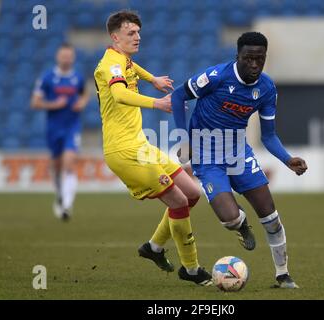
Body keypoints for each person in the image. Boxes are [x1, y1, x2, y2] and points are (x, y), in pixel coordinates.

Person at [171, 32, 308, 289]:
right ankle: (241, 225)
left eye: (260, 59)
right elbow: (179, 96)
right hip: (206, 156)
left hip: (238, 153)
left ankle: (283, 274)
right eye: (248, 58)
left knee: (271, 216)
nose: (254, 64)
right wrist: (184, 140)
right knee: (230, 218)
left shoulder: (266, 89)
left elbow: (268, 136)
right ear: (238, 57)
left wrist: (287, 160)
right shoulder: (217, 76)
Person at [93, 10, 212, 286]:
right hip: (124, 152)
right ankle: (191, 269)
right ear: (115, 37)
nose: (138, 37)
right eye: (130, 33)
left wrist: (153, 79)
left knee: (193, 193)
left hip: (140, 145)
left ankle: (153, 248)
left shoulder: (123, 59)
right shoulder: (110, 64)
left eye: (138, 32)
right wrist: (157, 102)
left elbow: (132, 68)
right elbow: (120, 94)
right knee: (179, 202)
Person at [31, 43, 89, 221]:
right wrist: (53, 104)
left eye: (69, 56)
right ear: (58, 57)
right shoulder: (47, 78)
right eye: (63, 56)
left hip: (72, 127)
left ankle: (66, 206)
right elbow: (35, 103)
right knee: (56, 167)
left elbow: (85, 93)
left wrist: (82, 102)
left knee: (69, 163)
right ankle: (60, 196)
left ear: (73, 58)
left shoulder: (77, 77)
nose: (66, 59)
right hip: (53, 128)